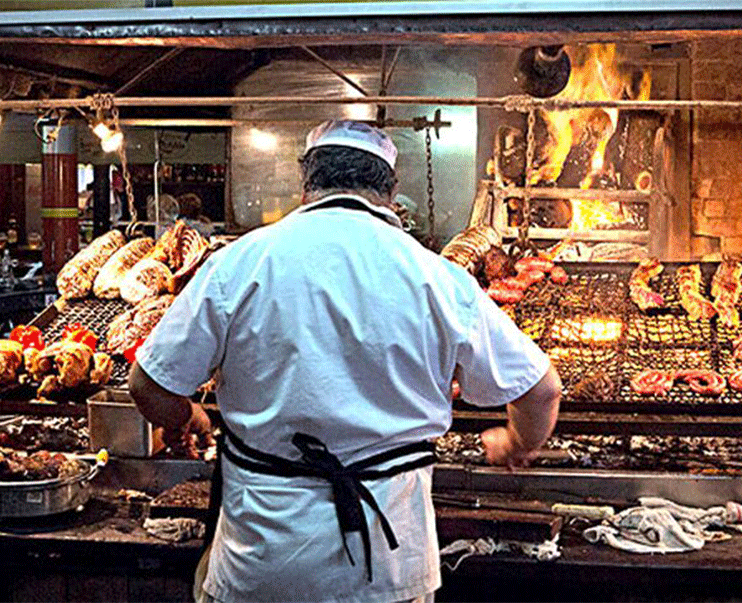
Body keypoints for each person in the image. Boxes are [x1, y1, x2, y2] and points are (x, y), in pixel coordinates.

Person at [128, 119, 561, 603]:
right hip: (387, 570)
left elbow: (148, 385)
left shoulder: (237, 264)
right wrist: (516, 441)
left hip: (262, 562)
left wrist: (187, 415)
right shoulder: (438, 278)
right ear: (391, 192)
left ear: (306, 182)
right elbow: (541, 390)